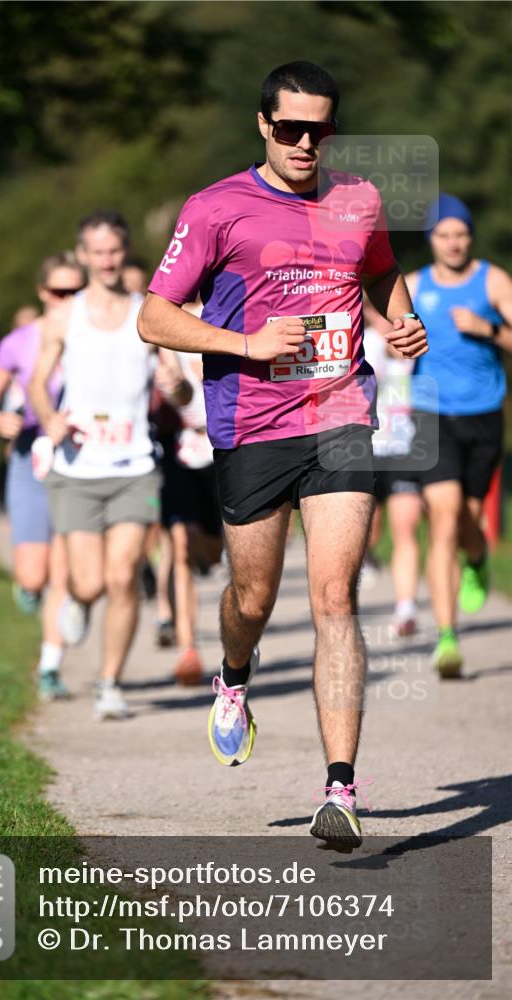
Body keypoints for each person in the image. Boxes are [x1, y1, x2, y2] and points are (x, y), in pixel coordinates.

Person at [138, 60, 428, 850]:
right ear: (263, 125)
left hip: (339, 415)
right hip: (249, 424)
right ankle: (235, 676)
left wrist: (400, 322)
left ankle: (340, 788)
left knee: (335, 599)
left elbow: (380, 271)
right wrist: (244, 342)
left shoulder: (358, 199)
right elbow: (153, 318)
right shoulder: (215, 209)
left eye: (320, 128)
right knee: (254, 599)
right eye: (291, 128)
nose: (306, 142)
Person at [29, 212, 189, 720]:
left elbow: (182, 391)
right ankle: (77, 599)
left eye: (115, 251)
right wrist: (50, 418)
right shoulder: (63, 316)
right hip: (76, 468)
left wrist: (175, 386)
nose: (106, 260)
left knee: (123, 577)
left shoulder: (151, 314)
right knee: (91, 581)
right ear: (82, 256)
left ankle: (109, 682)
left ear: (124, 253)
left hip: (135, 466)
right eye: (97, 252)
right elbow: (36, 383)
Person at [407, 194, 512, 677]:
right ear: (431, 239)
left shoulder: (492, 280)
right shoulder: (413, 285)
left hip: (484, 413)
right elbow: (385, 330)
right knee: (444, 517)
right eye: (445, 235)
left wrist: (488, 330)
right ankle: (447, 638)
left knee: (469, 520)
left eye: (461, 234)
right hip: (431, 414)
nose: (453, 243)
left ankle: (478, 556)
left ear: (470, 237)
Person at [0, 252, 86, 699]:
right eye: (60, 291)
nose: (69, 299)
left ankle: (50, 667)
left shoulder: (94, 338)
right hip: (28, 458)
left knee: (63, 570)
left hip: (76, 458)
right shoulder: (19, 342)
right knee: (34, 575)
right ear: (43, 293)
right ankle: (32, 590)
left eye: (77, 291)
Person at [154, 301, 223, 685]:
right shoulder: (169, 316)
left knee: (212, 551)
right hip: (180, 449)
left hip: (226, 447)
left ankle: (208, 556)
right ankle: (188, 649)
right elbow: (178, 389)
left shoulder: (233, 303)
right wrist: (178, 386)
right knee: (180, 546)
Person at [363, 298, 422, 636]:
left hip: (405, 448)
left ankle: (406, 608)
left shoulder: (414, 341)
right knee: (369, 529)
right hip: (366, 448)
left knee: (406, 527)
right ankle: (368, 556)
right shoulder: (364, 343)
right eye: (375, 313)